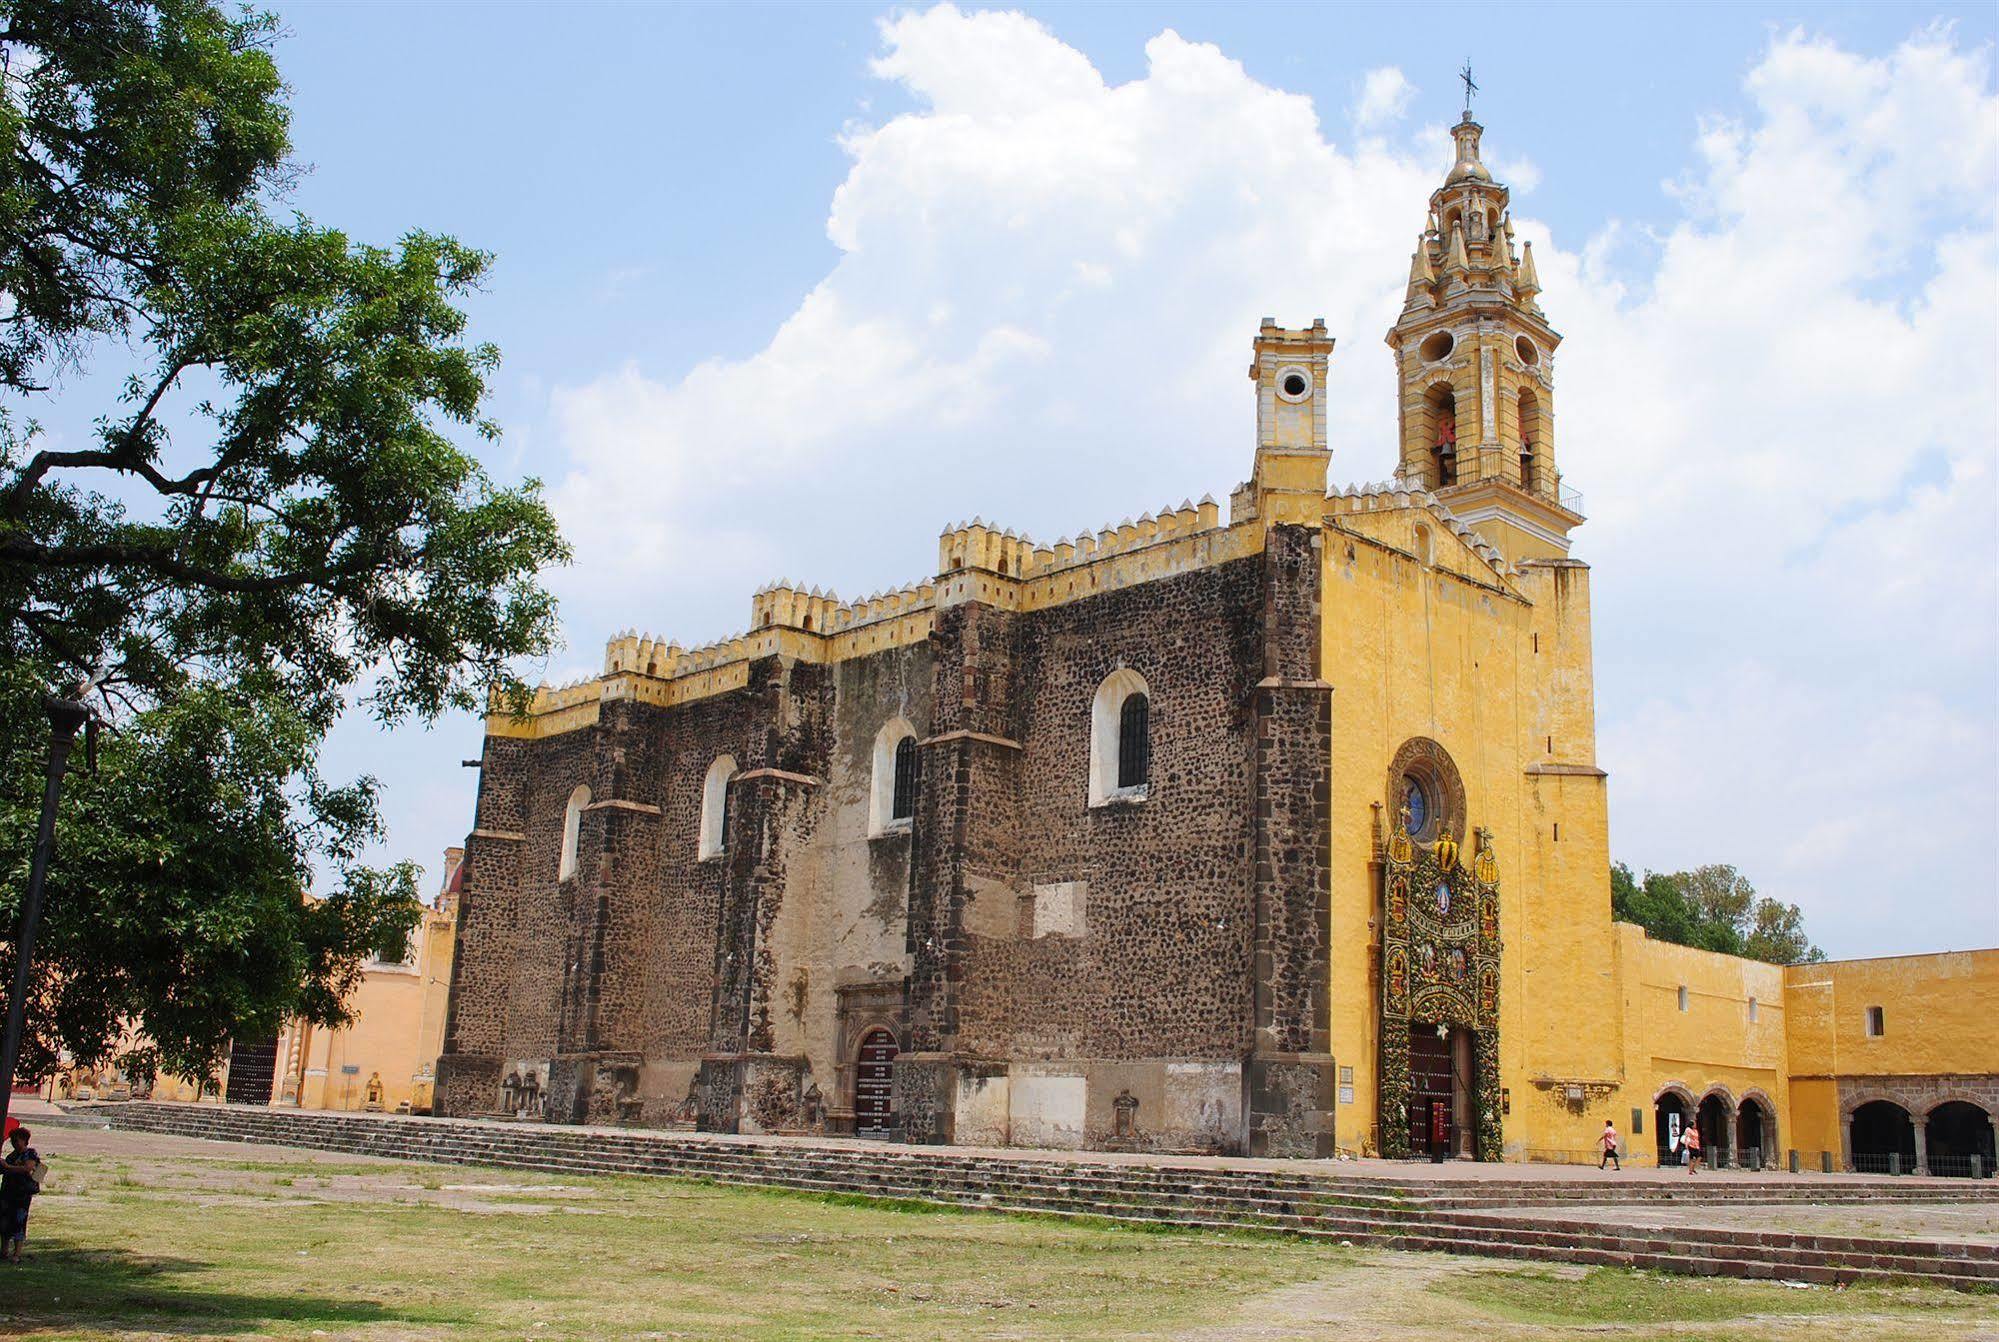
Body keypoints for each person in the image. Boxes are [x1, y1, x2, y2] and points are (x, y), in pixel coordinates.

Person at [0, 1125, 41, 1263]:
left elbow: (27, 1168)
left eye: (17, 1140)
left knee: (19, 1222)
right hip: (8, 1192)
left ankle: (16, 1254)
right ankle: (4, 1251)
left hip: (22, 1194)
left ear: (24, 1140)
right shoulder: (11, 1155)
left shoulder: (30, 1154)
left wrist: (8, 1167)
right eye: (12, 1141)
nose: (14, 1143)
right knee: (5, 1222)